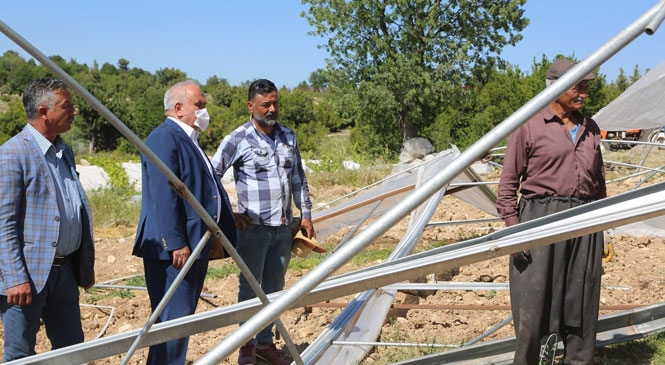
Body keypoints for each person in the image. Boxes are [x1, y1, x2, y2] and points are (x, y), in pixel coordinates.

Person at [496, 58, 606, 364]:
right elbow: (507, 185)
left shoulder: (591, 128)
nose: (583, 94)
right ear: (555, 88)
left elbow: (599, 182)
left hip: (585, 222)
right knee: (533, 305)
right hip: (540, 219)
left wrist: (603, 226)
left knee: (581, 303)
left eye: (586, 87)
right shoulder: (529, 126)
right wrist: (514, 231)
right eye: (577, 87)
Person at [211, 78, 315, 365]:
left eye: (275, 103)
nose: (272, 109)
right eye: (265, 104)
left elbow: (298, 178)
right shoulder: (238, 139)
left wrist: (305, 214)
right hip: (253, 229)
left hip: (283, 227)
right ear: (251, 106)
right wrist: (228, 213)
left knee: (274, 287)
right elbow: (211, 176)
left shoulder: (288, 137)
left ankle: (265, 343)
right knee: (250, 287)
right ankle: (246, 344)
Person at [133, 80, 236, 364]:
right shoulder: (164, 137)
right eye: (199, 105)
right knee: (173, 325)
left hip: (194, 243)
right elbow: (163, 194)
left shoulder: (189, 140)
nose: (204, 111)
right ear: (178, 108)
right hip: (176, 251)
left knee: (176, 326)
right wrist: (176, 242)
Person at [0, 77, 95, 361]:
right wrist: (14, 278)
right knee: (20, 353)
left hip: (64, 272)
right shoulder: (12, 154)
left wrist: (84, 265)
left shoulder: (64, 152)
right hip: (27, 276)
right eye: (67, 106)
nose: (74, 112)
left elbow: (74, 208)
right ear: (44, 112)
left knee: (72, 349)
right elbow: (3, 222)